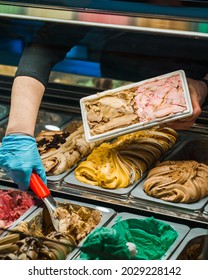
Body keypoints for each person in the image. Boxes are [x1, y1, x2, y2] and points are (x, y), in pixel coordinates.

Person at [0, 22, 207, 191]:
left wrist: (203, 86)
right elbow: (46, 44)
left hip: (195, 105)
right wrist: (19, 131)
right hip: (115, 95)